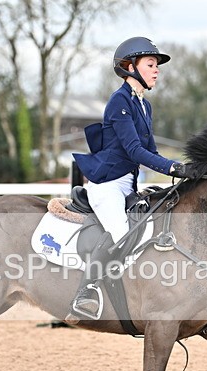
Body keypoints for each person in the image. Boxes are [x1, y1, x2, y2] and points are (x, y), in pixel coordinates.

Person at [68, 36, 196, 320]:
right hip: (107, 185)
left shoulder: (144, 106)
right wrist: (174, 168)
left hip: (129, 184)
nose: (156, 70)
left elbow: (151, 151)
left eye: (156, 66)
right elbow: (135, 151)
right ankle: (86, 291)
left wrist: (179, 171)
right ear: (130, 67)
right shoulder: (119, 101)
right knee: (120, 233)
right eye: (150, 64)